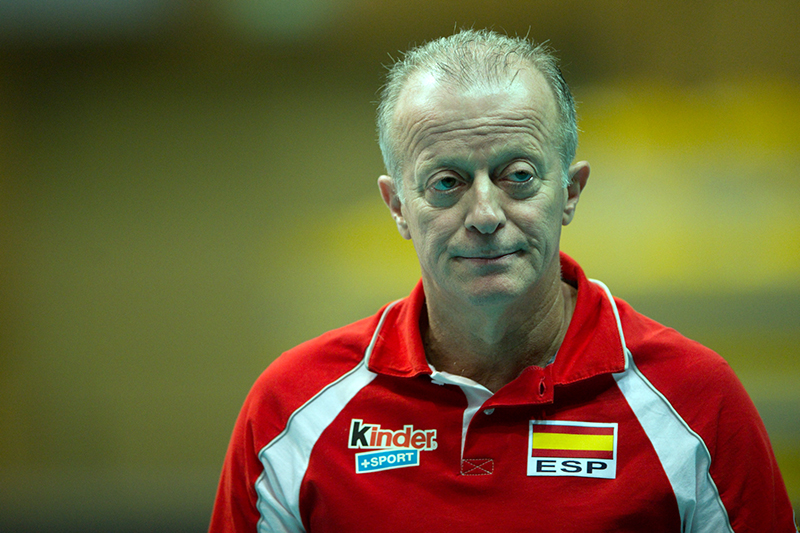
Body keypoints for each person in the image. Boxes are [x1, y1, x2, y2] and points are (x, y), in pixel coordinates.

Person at [208, 29, 796, 532]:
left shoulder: (698, 401)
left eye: (517, 175)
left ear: (570, 191)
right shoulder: (291, 410)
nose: (486, 215)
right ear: (397, 207)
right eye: (446, 182)